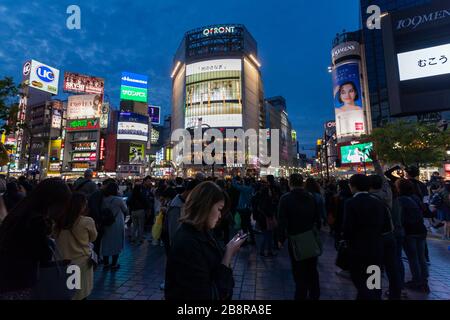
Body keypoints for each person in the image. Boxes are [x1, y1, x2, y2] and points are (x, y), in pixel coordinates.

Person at [165, 181, 245, 300]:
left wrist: (229, 249)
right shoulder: (188, 241)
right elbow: (205, 294)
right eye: (219, 209)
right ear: (205, 207)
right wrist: (228, 254)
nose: (220, 216)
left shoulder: (203, 232)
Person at [0, 178, 71, 299]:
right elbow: (43, 255)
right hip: (20, 281)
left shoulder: (20, 211)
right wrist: (48, 238)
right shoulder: (37, 221)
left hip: (7, 277)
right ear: (53, 202)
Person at [343, 174, 388, 300]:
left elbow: (348, 228)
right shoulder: (378, 201)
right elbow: (385, 224)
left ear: (353, 186)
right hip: (376, 247)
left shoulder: (351, 203)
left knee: (361, 280)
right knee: (374, 281)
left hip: (358, 248)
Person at [278, 174, 321, 300]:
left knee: (299, 270)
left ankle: (301, 295)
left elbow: (282, 220)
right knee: (312, 269)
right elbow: (316, 217)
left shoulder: (286, 198)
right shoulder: (310, 196)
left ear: (290, 183)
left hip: (295, 237)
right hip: (310, 236)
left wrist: (280, 239)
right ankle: (314, 294)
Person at [54, 193, 97, 300]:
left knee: (67, 292)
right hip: (81, 262)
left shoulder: (58, 221)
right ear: (82, 206)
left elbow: (54, 237)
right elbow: (93, 238)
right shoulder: (87, 221)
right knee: (80, 293)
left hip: (63, 262)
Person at [396, 179, 429, 292]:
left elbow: (401, 217)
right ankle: (424, 281)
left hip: (409, 231)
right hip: (420, 229)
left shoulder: (400, 200)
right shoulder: (415, 197)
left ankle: (417, 281)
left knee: (413, 257)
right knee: (421, 257)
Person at [100, 182, 128, 271]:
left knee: (106, 242)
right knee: (116, 242)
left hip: (106, 223)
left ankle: (106, 263)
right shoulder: (118, 200)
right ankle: (114, 263)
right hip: (117, 223)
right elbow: (125, 210)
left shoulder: (103, 199)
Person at [232, 177, 255, 245]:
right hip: (248, 208)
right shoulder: (251, 188)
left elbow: (235, 185)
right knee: (248, 224)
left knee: (244, 225)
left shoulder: (244, 188)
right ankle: (252, 239)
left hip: (243, 209)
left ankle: (244, 241)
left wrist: (234, 179)